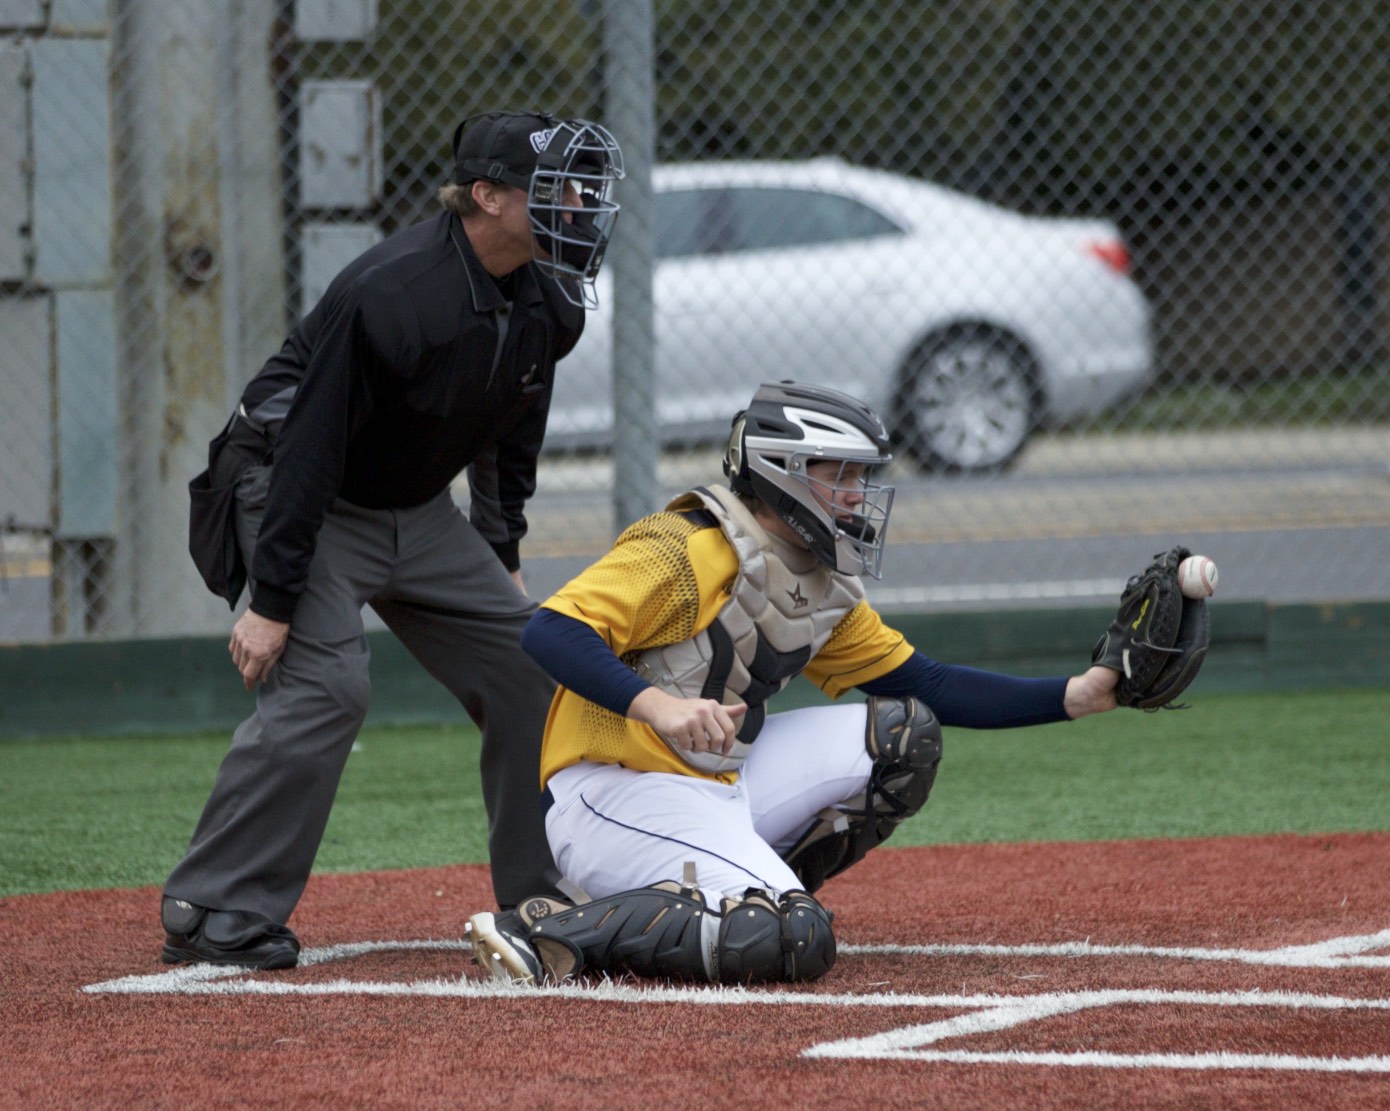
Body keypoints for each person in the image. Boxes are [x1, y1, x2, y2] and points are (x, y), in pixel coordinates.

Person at [162, 110, 624, 970]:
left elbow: (510, 432)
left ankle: (541, 893)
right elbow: (309, 448)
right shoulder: (393, 293)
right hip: (295, 490)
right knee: (329, 687)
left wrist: (502, 556)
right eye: (554, 189)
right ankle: (212, 903)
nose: (578, 207)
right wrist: (272, 602)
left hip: (413, 507)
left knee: (533, 664)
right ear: (487, 196)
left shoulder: (550, 301)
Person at [466, 380, 1120, 987]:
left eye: (861, 477)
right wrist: (657, 706)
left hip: (717, 782)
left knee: (903, 737)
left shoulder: (817, 578)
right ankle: (549, 931)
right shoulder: (685, 547)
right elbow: (551, 629)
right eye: (842, 476)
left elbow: (930, 683)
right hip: (613, 793)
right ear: (784, 471)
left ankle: (742, 896)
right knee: (796, 937)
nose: (858, 495)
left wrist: (1081, 694)